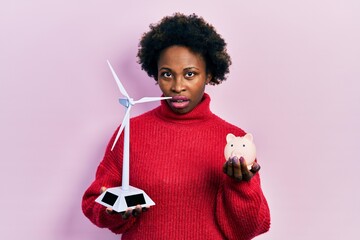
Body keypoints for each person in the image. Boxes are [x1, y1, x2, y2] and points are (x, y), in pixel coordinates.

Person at [82, 13, 270, 240]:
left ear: (209, 74)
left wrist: (241, 186)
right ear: (156, 75)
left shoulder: (235, 142)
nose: (177, 86)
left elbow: (250, 229)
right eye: (167, 75)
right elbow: (94, 201)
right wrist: (112, 211)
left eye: (190, 74)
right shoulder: (131, 132)